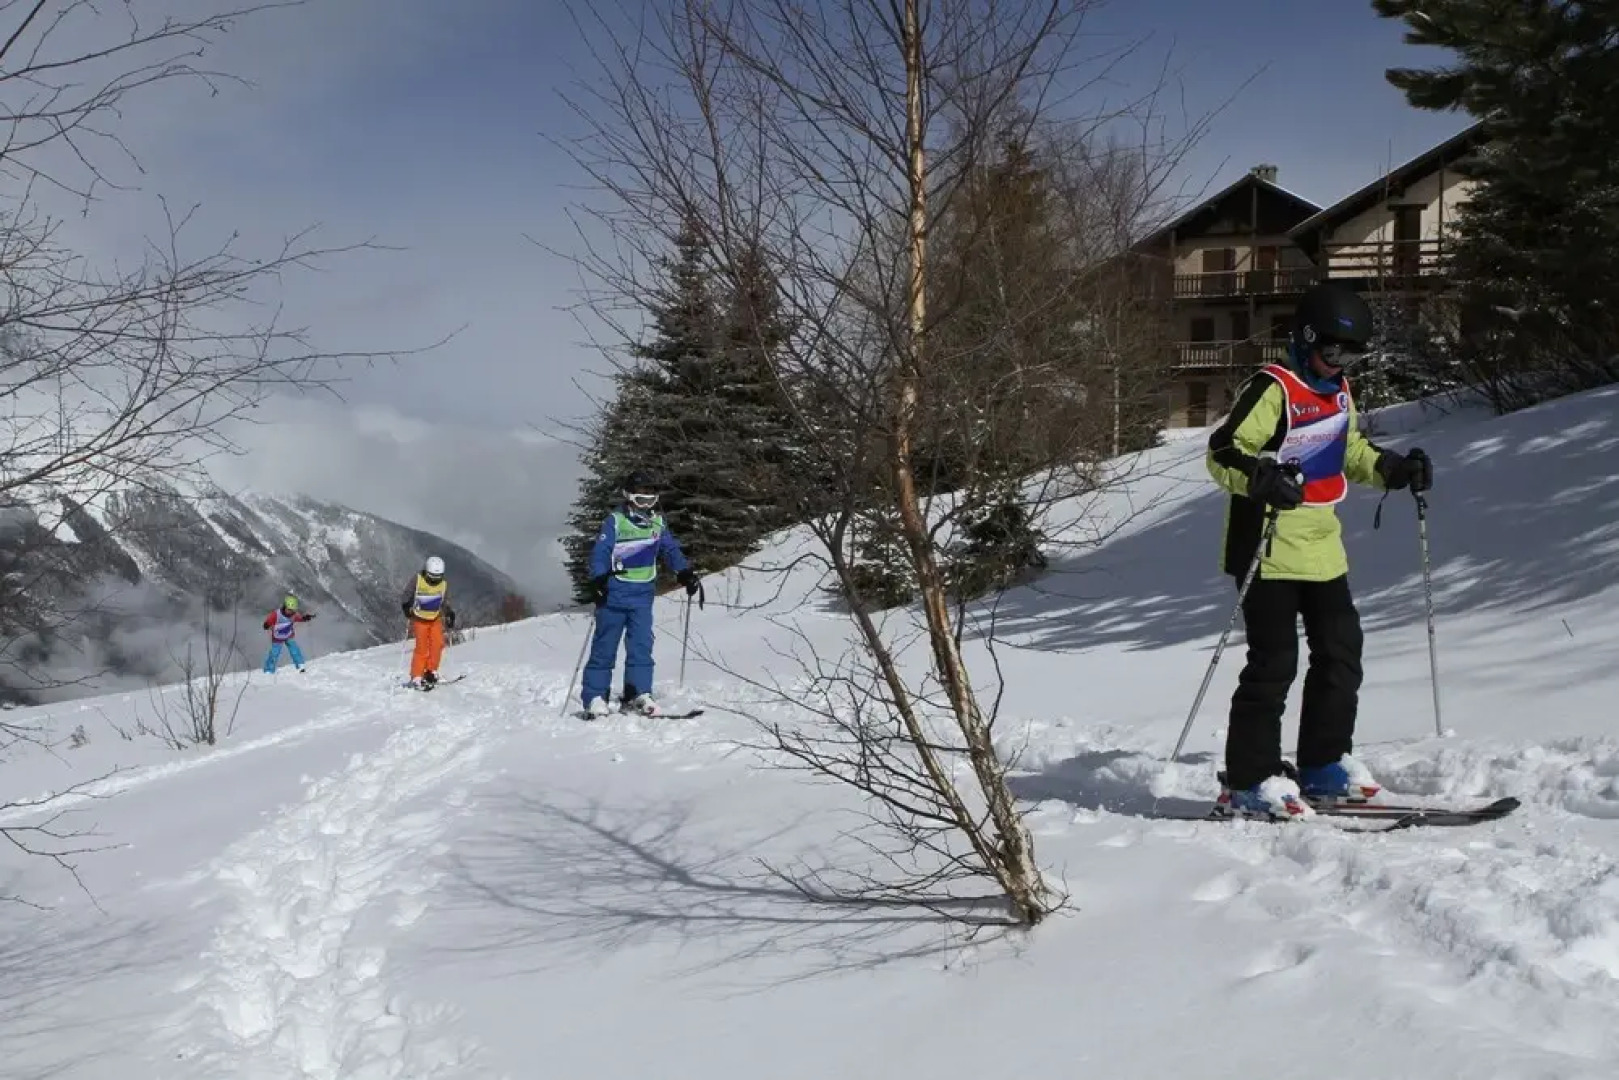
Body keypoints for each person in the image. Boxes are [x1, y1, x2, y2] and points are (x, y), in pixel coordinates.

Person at [1204, 281, 1434, 819]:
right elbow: (1222, 452)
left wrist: (1392, 468)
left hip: (1321, 547)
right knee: (1274, 664)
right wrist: (1260, 477)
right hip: (1266, 545)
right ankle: (1249, 780)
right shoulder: (1273, 387)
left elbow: (1346, 448)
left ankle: (1323, 766)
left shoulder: (1339, 390)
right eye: (1333, 352)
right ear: (1306, 340)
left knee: (1341, 652)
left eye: (1352, 354)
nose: (1340, 363)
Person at [581, 471, 701, 717]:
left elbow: (669, 548)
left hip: (642, 596)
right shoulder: (615, 521)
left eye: (650, 499)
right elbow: (601, 552)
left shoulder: (657, 522)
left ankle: (638, 693)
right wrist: (599, 579)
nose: (646, 505)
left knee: (641, 647)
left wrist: (684, 572)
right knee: (605, 647)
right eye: (640, 499)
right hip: (614, 596)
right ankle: (594, 696)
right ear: (628, 497)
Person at [401, 555, 456, 689]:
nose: (434, 581)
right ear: (426, 572)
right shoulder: (418, 579)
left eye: (437, 578)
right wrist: (406, 606)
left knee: (437, 644)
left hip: (435, 618)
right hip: (420, 619)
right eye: (432, 577)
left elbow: (444, 600)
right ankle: (417, 676)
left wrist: (449, 613)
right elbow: (407, 593)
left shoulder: (443, 584)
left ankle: (431, 671)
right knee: (422, 647)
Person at [262, 594, 316, 673]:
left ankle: (300, 665)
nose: (290, 612)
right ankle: (269, 670)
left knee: (295, 650)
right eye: (289, 609)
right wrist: (266, 625)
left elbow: (299, 618)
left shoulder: (293, 615)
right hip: (277, 638)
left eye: (293, 610)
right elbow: (268, 622)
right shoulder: (276, 614)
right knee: (274, 653)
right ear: (285, 607)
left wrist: (305, 618)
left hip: (288, 635)